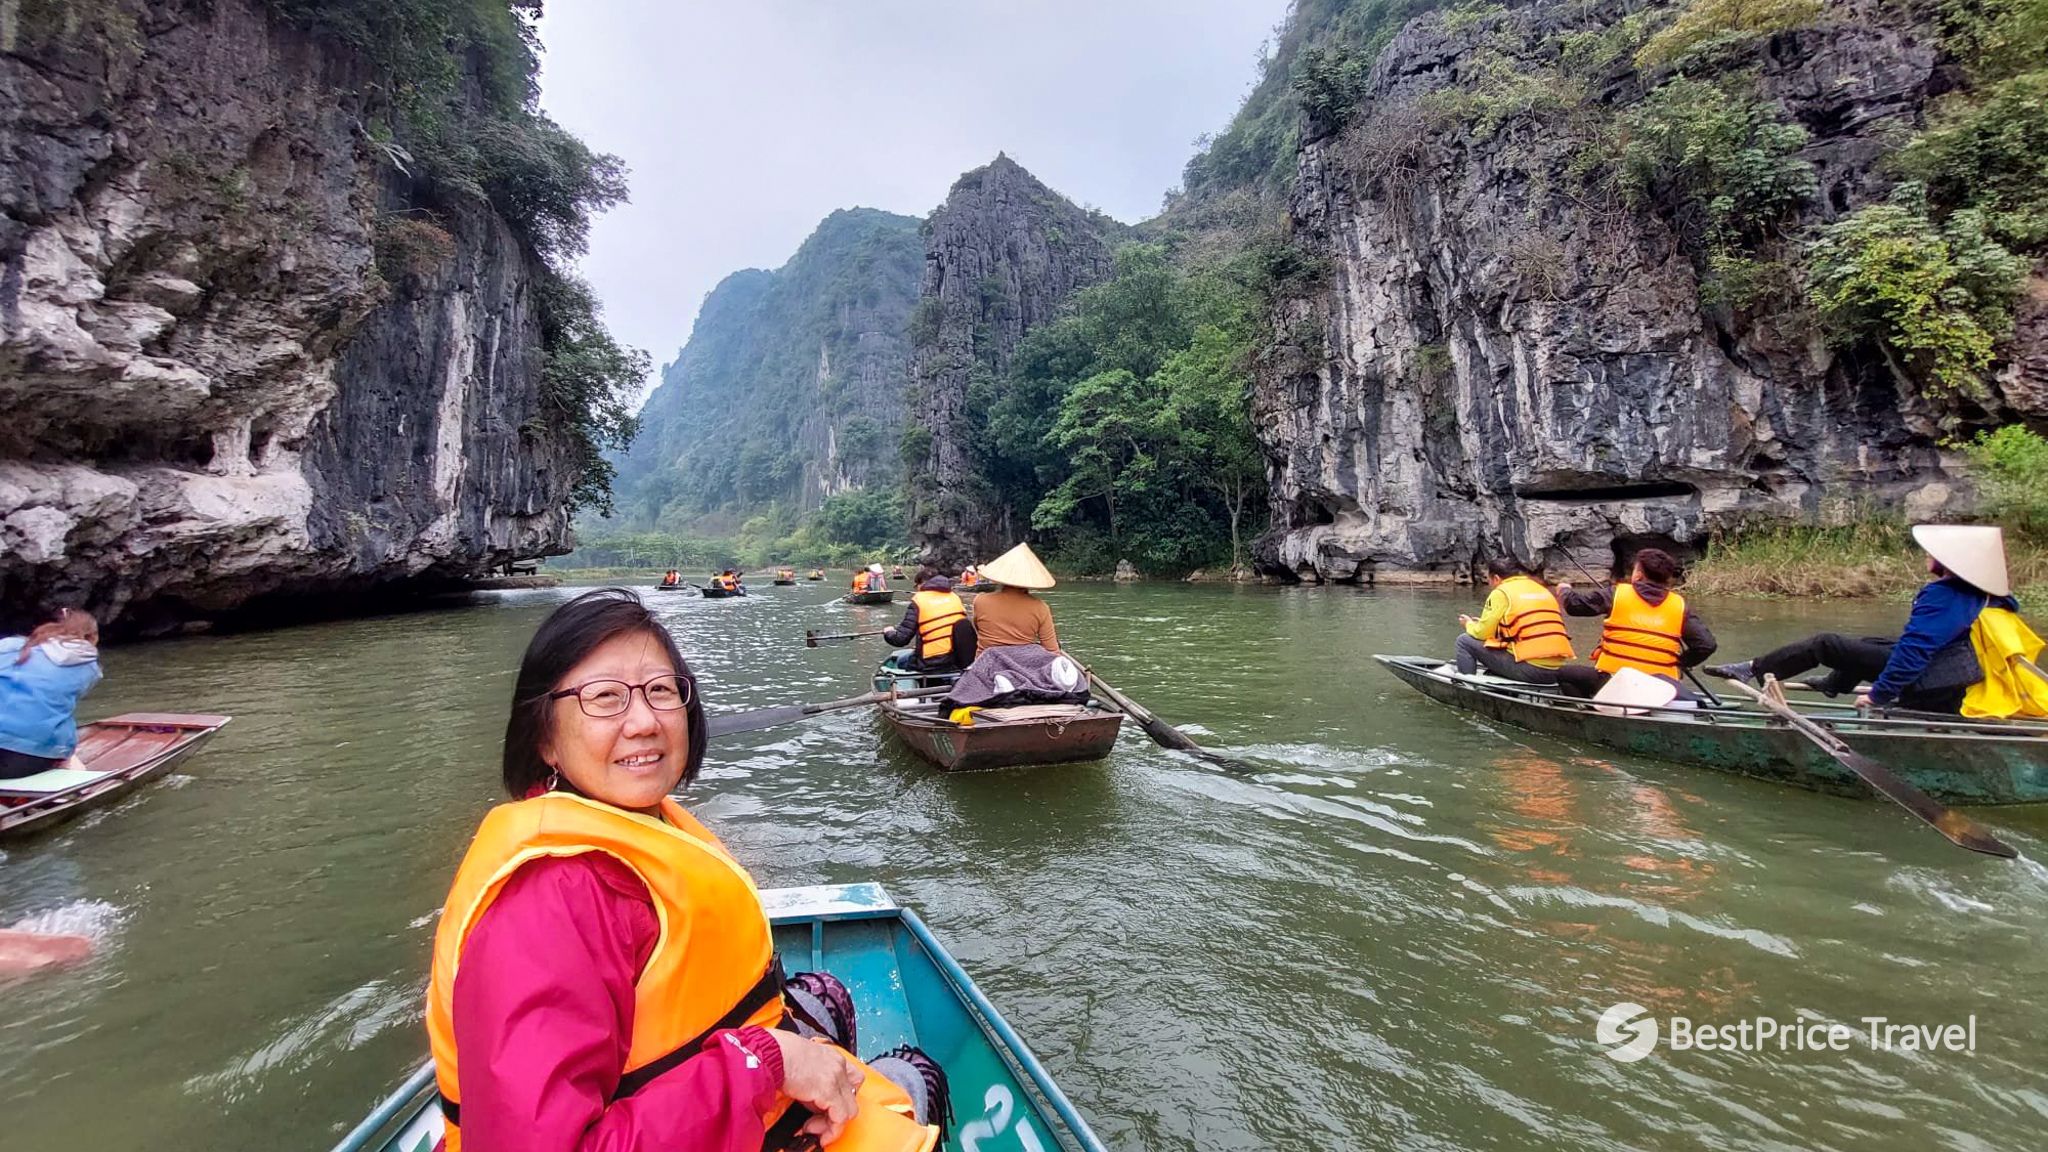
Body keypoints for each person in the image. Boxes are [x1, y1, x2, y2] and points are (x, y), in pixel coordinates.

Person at [426, 589, 945, 1152]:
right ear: (544, 737)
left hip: (693, 1094)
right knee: (918, 1078)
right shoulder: (554, 899)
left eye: (660, 691)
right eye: (605, 698)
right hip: (707, 1108)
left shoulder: (635, 823)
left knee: (825, 994)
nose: (645, 721)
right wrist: (768, 1062)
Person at [1707, 525, 2021, 713]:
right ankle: (1834, 684)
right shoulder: (1987, 596)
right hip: (1955, 677)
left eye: (1931, 552)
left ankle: (1753, 668)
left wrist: (1877, 695)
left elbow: (1916, 649)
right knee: (1868, 643)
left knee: (1825, 644)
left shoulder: (1944, 595)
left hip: (1931, 682)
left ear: (1947, 561)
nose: (1926, 556)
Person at [1553, 548, 1716, 699]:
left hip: (1615, 679)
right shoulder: (1679, 606)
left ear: (1638, 575)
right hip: (1662, 686)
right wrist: (1680, 663)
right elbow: (1706, 645)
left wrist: (1565, 590)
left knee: (1563, 674)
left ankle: (1589, 714)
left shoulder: (1616, 594)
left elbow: (1575, 606)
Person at [0, 609, 103, 780]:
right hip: (27, 759)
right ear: (92, 637)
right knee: (62, 728)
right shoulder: (87, 665)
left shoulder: (9, 645)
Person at [1453, 559, 1574, 684]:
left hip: (1532, 669)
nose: (1489, 584)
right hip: (1558, 669)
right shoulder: (1540, 589)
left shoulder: (1501, 592)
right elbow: (1525, 626)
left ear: (1496, 578)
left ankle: (1467, 684)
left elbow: (1482, 633)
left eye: (1488, 579)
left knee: (1464, 641)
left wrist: (1469, 624)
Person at [967, 543, 1059, 656]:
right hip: (1022, 666)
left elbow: (978, 630)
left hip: (986, 664)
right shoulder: (1041, 608)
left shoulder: (980, 601)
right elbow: (1052, 651)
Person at [882, 574, 976, 674]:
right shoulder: (954, 598)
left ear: (921, 584)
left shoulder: (919, 601)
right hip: (955, 661)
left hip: (930, 663)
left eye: (916, 585)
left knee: (900, 661)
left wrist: (889, 632)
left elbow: (900, 639)